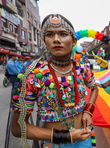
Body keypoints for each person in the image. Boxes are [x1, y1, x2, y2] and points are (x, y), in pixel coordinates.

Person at [11, 14, 98, 148]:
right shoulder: (33, 75)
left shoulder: (82, 69)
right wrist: (66, 136)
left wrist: (88, 110)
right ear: (45, 41)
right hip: (55, 144)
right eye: (50, 35)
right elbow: (18, 128)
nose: (56, 40)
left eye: (63, 34)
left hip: (84, 139)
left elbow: (94, 88)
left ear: (74, 41)